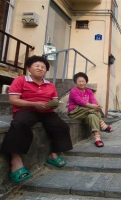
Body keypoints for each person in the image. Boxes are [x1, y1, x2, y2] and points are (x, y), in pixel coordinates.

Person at [0, 55, 73, 183]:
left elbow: (54, 99)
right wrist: (34, 104)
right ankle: (15, 161)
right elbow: (13, 100)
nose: (40, 69)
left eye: (43, 67)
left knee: (62, 127)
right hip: (26, 110)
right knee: (20, 123)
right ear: (29, 68)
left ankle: (54, 154)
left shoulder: (50, 85)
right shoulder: (20, 80)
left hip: (46, 111)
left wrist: (54, 103)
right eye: (37, 66)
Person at [68, 72, 113, 148]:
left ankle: (97, 139)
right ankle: (103, 124)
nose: (81, 83)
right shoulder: (74, 91)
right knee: (92, 109)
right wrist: (93, 106)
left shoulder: (89, 91)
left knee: (92, 116)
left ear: (86, 82)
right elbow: (80, 102)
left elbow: (93, 100)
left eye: (83, 81)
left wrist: (97, 105)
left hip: (86, 112)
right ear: (76, 82)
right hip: (75, 112)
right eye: (79, 81)